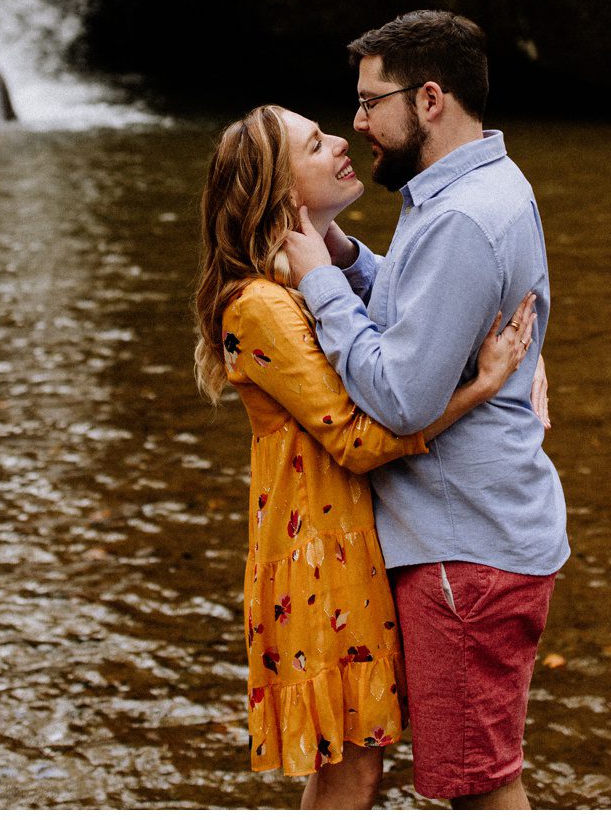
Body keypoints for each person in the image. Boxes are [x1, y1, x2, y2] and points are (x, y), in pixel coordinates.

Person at [194, 104, 539, 808]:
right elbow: (357, 438)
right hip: (317, 564)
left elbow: (403, 328)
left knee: (353, 768)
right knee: (352, 772)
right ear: (281, 193)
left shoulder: (302, 286)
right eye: (314, 145)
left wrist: (525, 361)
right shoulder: (260, 306)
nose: (340, 140)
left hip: (351, 552)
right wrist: (482, 387)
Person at [283, 10, 567, 809]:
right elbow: (426, 311)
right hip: (476, 536)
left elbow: (402, 399)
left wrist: (319, 285)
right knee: (468, 773)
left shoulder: (461, 219)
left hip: (463, 550)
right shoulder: (472, 188)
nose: (358, 122)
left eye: (371, 102)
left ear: (430, 100)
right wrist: (348, 259)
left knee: (477, 788)